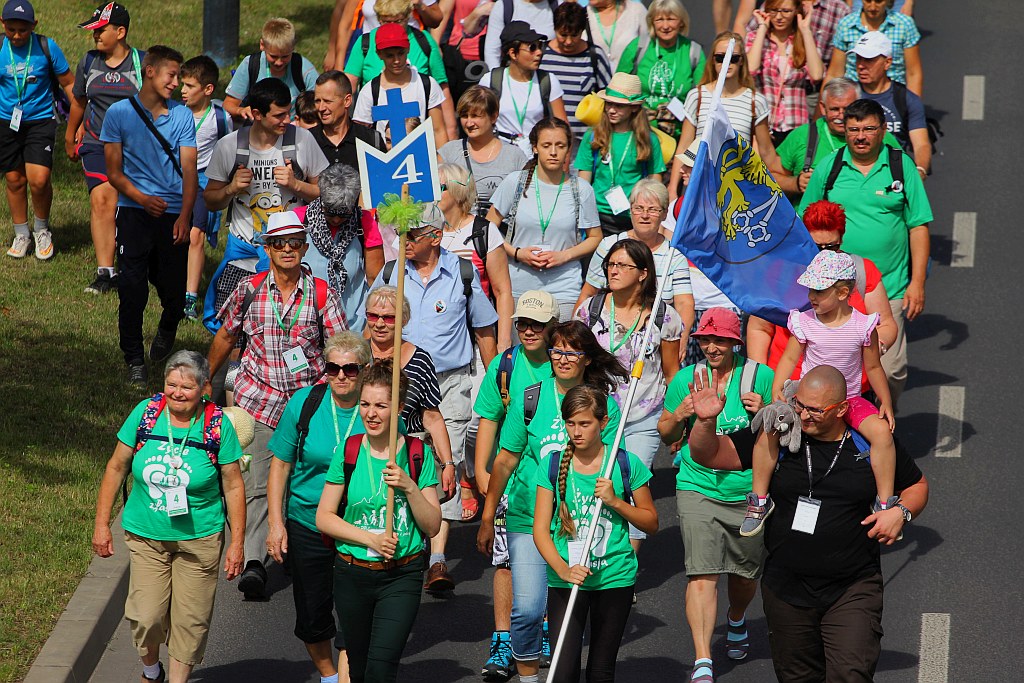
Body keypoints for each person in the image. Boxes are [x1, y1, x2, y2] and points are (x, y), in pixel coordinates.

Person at [687, 364, 928, 683]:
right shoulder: (778, 435)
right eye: (799, 405)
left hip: (852, 585)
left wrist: (901, 512)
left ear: (842, 409)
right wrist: (705, 422)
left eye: (815, 410)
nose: (802, 415)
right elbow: (710, 455)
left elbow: (917, 487)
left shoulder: (866, 443)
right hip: (786, 588)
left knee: (850, 674)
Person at [208, 211, 348, 600]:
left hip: (310, 405)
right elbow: (225, 335)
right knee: (256, 484)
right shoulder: (248, 289)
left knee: (312, 480)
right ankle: (255, 562)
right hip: (260, 401)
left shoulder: (322, 293)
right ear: (266, 248)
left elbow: (339, 348)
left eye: (294, 242)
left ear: (304, 247)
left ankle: (316, 549)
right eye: (278, 243)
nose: (287, 249)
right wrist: (208, 379)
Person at [478, 320, 627, 683]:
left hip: (580, 526)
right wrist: (487, 515)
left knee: (573, 614)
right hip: (529, 518)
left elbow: (614, 467)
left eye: (571, 351)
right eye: (556, 349)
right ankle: (529, 678)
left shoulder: (604, 407)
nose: (562, 358)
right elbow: (506, 460)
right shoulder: (530, 398)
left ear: (587, 359)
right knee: (528, 610)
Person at [92, 351, 246, 683]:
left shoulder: (218, 425)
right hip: (147, 534)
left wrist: (238, 544)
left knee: (190, 621)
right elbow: (116, 467)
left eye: (186, 387)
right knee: (146, 617)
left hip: (200, 537)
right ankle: (151, 670)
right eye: (170, 384)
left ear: (205, 388)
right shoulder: (145, 414)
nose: (176, 392)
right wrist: (102, 524)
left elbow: (233, 485)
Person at [371, 202, 499, 592]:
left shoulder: (461, 273)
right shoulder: (392, 272)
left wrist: (497, 381)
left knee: (446, 460)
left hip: (448, 383)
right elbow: (371, 320)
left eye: (413, 236)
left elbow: (484, 327)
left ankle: (439, 558)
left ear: (436, 237)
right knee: (400, 458)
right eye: (402, 235)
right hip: (400, 378)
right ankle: (405, 538)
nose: (404, 242)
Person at [742, 249, 898, 538]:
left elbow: (874, 366)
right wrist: (778, 388)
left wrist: (885, 402)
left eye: (819, 289)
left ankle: (886, 502)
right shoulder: (803, 321)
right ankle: (759, 501)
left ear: (842, 292)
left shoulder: (863, 326)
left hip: (849, 399)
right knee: (768, 429)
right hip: (805, 399)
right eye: (810, 288)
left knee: (881, 435)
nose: (811, 295)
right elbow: (789, 359)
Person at [657, 307, 772, 683]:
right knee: (702, 574)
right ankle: (703, 659)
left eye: (720, 339)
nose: (711, 346)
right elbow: (667, 435)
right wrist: (679, 414)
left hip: (747, 492)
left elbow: (783, 431)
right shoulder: (686, 379)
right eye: (705, 339)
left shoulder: (760, 377)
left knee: (744, 574)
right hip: (697, 486)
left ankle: (736, 616)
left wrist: (767, 409)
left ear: (735, 342)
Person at [798, 98, 932, 404]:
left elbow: (919, 226)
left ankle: (883, 409)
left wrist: (918, 283)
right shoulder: (829, 167)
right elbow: (804, 222)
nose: (861, 136)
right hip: (830, 287)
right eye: (854, 129)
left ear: (883, 130)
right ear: (844, 130)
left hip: (889, 284)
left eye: (869, 128)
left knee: (891, 369)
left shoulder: (901, 166)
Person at [316, 360, 443, 683]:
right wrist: (370, 539)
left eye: (381, 406)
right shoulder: (350, 450)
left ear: (399, 407)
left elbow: (432, 526)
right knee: (357, 668)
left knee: (381, 669)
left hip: (401, 575)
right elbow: (325, 517)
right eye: (365, 404)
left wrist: (409, 486)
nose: (371, 414)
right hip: (352, 572)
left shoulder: (417, 453)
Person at [267, 332, 373, 683]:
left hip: (358, 527)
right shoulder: (305, 403)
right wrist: (276, 525)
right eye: (333, 368)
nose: (341, 376)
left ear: (365, 370)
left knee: (354, 609)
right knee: (313, 615)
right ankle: (329, 675)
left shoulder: (378, 408)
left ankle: (346, 674)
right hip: (307, 524)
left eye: (351, 369)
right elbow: (280, 465)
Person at [534, 383, 658, 683]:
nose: (576, 431)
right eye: (571, 423)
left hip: (614, 577)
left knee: (601, 671)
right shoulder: (551, 465)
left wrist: (616, 502)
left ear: (603, 423)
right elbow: (539, 530)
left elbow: (651, 522)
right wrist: (563, 570)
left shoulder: (625, 464)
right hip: (567, 578)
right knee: (563, 672)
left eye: (585, 424)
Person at [473, 290, 559, 681]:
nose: (528, 331)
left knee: (553, 561)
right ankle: (505, 638)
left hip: (560, 483)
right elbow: (489, 418)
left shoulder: (566, 366)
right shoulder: (505, 366)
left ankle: (539, 629)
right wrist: (482, 472)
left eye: (537, 324)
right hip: (514, 481)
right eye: (523, 323)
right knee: (505, 561)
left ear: (553, 327)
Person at [100, 45, 197, 386]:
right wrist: (142, 199)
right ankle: (134, 360)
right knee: (131, 288)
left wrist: (185, 216)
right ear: (151, 71)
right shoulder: (118, 114)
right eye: (172, 75)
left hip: (172, 215)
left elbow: (189, 170)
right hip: (133, 214)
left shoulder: (183, 115)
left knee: (173, 292)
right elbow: (113, 172)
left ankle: (168, 325)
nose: (176, 84)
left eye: (180, 77)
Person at [575, 238, 680, 553]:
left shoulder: (665, 317)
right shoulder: (589, 312)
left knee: (633, 487)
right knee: (596, 485)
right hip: (598, 416)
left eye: (623, 265)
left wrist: (674, 418)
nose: (613, 270)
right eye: (610, 264)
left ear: (643, 273)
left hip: (644, 415)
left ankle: (626, 571)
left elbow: (672, 371)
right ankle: (590, 552)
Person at [203, 78, 330, 332]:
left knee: (287, 327)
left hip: (290, 256)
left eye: (289, 112)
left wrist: (296, 185)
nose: (287, 120)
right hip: (244, 255)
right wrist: (230, 188)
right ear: (258, 114)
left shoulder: (303, 141)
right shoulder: (230, 146)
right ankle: (233, 372)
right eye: (279, 115)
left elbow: (325, 193)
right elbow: (210, 200)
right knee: (231, 328)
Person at [746, 199, 898, 379]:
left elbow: (886, 324)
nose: (824, 253)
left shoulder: (862, 270)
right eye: (816, 247)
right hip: (791, 384)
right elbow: (760, 328)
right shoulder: (779, 273)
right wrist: (758, 378)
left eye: (832, 247)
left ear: (841, 239)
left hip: (850, 385)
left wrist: (875, 346)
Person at [487, 117, 602, 322]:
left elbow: (595, 237)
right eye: (546, 145)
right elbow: (488, 228)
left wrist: (564, 256)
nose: (554, 152)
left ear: (569, 150)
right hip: (518, 281)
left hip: (564, 284)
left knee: (561, 347)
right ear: (535, 148)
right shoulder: (516, 182)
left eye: (560, 145)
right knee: (521, 348)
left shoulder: (581, 189)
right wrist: (517, 253)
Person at [68, 2, 143, 294]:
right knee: (102, 201)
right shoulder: (89, 62)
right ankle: (105, 273)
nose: (95, 36)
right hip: (96, 143)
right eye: (94, 31)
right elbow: (79, 101)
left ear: (121, 32)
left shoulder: (142, 63)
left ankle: (131, 266)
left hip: (134, 148)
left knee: (129, 207)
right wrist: (70, 133)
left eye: (101, 30)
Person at [364, 284, 457, 497]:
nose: (379, 324)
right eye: (373, 316)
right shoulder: (357, 356)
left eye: (388, 318)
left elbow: (432, 417)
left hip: (407, 451)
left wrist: (448, 464)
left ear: (403, 320)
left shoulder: (421, 360)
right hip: (366, 450)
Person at [578, 179, 694, 349]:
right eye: (638, 208)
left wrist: (680, 342)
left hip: (655, 343)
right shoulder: (609, 246)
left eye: (653, 210)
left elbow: (685, 304)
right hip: (604, 341)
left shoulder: (673, 255)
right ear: (630, 211)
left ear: (664, 214)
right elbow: (588, 294)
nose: (644, 215)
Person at [0, 0, 74, 261]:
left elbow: (69, 83)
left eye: (23, 30)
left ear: (34, 26)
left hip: (41, 120)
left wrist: (80, 121)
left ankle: (42, 229)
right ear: (2, 24)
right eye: (11, 30)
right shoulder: (0, 47)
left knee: (39, 179)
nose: (17, 36)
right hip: (7, 122)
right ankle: (22, 234)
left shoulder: (46, 47)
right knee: (14, 179)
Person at [667, 31, 776, 203]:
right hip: (701, 186)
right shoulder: (697, 96)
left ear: (741, 61)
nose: (726, 63)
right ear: (713, 61)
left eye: (733, 58)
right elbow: (684, 146)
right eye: (720, 57)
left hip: (739, 187)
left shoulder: (756, 100)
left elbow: (766, 151)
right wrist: (673, 190)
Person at [344, 0, 457, 139]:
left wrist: (451, 135)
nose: (396, 60)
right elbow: (348, 87)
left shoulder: (424, 42)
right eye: (386, 21)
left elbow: (442, 90)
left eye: (398, 21)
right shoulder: (365, 43)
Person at [772, 76, 899, 199]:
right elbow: (770, 176)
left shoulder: (877, 135)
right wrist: (796, 183)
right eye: (834, 109)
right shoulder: (802, 136)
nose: (841, 115)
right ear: (823, 108)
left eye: (847, 108)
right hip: (813, 217)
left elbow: (904, 172)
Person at [575, 73, 664, 237]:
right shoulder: (592, 135)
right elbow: (583, 181)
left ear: (634, 107)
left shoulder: (649, 139)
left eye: (619, 105)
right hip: (597, 216)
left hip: (633, 218)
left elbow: (655, 183)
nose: (611, 110)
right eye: (608, 103)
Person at [438, 163, 514, 349]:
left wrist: (503, 341)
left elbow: (502, 291)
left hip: (477, 339)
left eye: (439, 187)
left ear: (458, 190)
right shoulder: (423, 231)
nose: (432, 193)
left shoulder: (484, 231)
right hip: (437, 336)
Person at [300, 163, 384, 331]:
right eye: (331, 213)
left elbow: (376, 282)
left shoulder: (365, 222)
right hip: (306, 326)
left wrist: (370, 330)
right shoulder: (299, 220)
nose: (337, 220)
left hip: (352, 328)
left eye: (344, 214)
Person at [179, 56, 231, 322]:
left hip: (202, 183)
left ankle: (190, 297)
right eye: (182, 84)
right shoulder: (175, 112)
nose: (182, 91)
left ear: (208, 89)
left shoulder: (220, 118)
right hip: (174, 180)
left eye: (189, 85)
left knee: (196, 235)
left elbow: (226, 151)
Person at [617, 0, 705, 139]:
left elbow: (704, 95)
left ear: (681, 22)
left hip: (678, 134)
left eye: (670, 19)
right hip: (639, 131)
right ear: (652, 22)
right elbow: (617, 90)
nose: (665, 26)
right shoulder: (638, 47)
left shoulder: (693, 52)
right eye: (659, 19)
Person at [351, 22, 448, 146]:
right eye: (390, 55)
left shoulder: (427, 84)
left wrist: (441, 163)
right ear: (379, 54)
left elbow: (438, 130)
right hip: (385, 160)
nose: (396, 60)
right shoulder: (369, 91)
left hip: (421, 159)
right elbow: (361, 137)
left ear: (408, 49)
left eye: (401, 53)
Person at [437, 85, 528, 218]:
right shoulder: (448, 153)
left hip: (500, 235)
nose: (469, 123)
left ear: (493, 117)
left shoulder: (515, 156)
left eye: (475, 116)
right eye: (464, 116)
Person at [482, 22, 568, 156]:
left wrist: (563, 165)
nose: (539, 52)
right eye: (532, 47)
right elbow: (480, 121)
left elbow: (563, 129)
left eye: (540, 46)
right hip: (499, 154)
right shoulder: (490, 80)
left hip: (536, 156)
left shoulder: (548, 80)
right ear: (513, 53)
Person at [851, 31, 931, 177]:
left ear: (887, 63)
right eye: (858, 59)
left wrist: (920, 170)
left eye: (868, 60)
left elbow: (921, 144)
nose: (861, 65)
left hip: (892, 176)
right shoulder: (849, 96)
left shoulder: (907, 99)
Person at [745, 0, 824, 144]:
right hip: (764, 124)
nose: (779, 17)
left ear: (796, 12)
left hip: (796, 123)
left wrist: (805, 30)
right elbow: (751, 68)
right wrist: (762, 27)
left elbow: (817, 74)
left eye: (786, 11)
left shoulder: (803, 40)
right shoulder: (755, 37)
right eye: (774, 11)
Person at [223, 17, 319, 122]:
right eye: (273, 56)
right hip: (258, 129)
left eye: (285, 56)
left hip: (291, 127)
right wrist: (240, 110)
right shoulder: (251, 64)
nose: (279, 62)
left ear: (293, 47)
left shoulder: (302, 67)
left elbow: (319, 101)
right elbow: (228, 104)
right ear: (262, 45)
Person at [541, 2, 613, 140]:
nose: (568, 41)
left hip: (585, 140)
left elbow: (608, 95)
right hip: (548, 139)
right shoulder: (541, 54)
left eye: (574, 35)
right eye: (563, 35)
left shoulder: (595, 55)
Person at [828, 0, 922, 96]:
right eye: (868, 1)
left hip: (893, 97)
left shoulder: (905, 25)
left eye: (878, 1)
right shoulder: (846, 25)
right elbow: (835, 72)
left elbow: (913, 73)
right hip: (855, 97)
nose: (872, 7)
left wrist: (914, 106)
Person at [332, 0, 443, 75]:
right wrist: (338, 64)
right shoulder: (363, 44)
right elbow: (345, 25)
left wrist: (421, 5)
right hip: (372, 50)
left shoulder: (424, 41)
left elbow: (436, 19)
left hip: (410, 48)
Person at [311, 70, 386, 174]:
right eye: (317, 101)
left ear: (347, 101)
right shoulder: (307, 140)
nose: (321, 108)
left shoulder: (371, 140)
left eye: (328, 101)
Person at [483, 0, 557, 69]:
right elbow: (492, 51)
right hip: (513, 76)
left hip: (550, 73)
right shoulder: (505, 6)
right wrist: (495, 78)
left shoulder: (558, 5)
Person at [587, 0, 648, 72]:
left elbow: (649, 46)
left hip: (629, 79)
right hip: (594, 80)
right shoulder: (582, 14)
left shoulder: (636, 10)